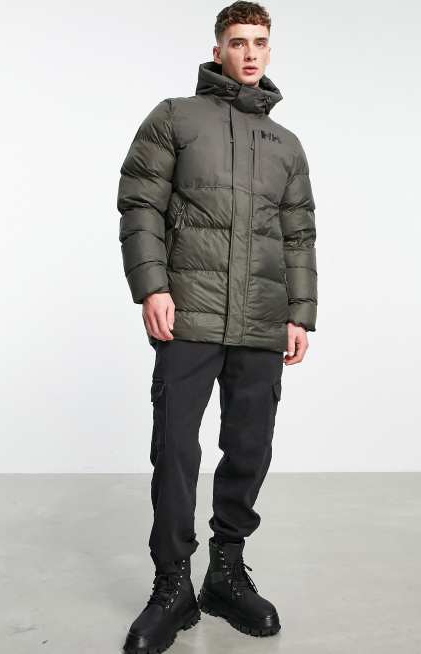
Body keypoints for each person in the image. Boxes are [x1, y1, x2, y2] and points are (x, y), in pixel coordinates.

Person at [116, 2, 318, 652]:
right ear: (217, 49)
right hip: (190, 313)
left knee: (249, 448)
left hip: (261, 318)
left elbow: (298, 235)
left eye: (259, 42)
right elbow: (140, 204)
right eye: (238, 42)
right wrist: (153, 286)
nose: (250, 53)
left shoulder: (286, 145)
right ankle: (172, 585)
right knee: (176, 449)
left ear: (269, 49)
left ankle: (225, 573)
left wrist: (299, 314)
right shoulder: (175, 117)